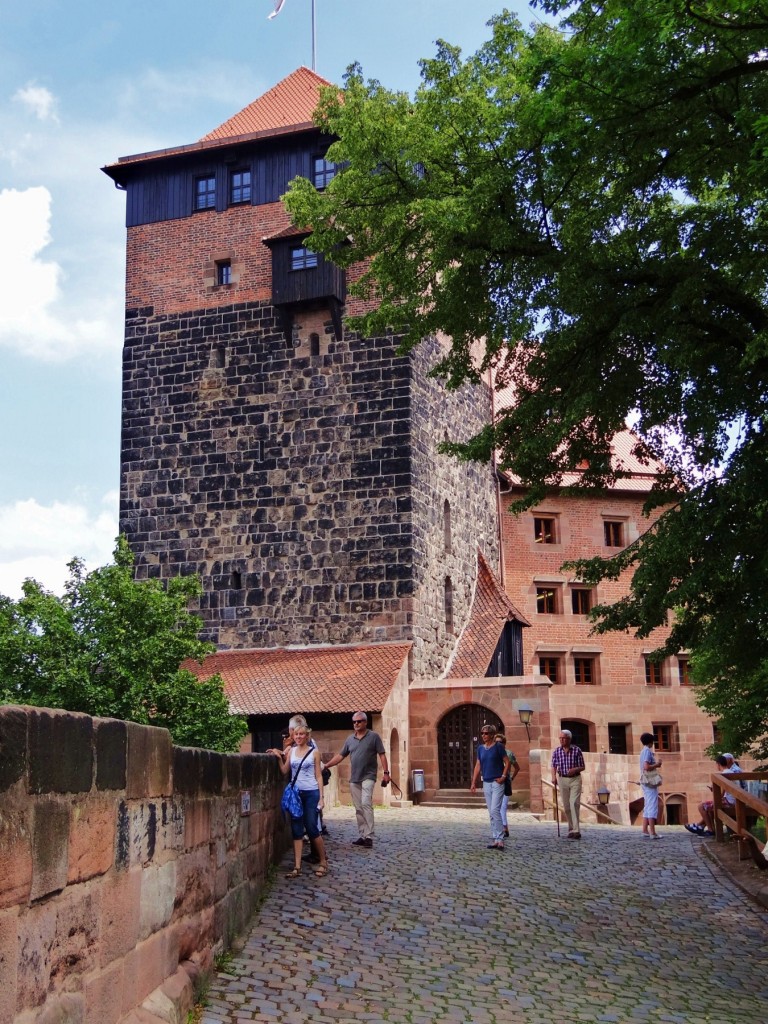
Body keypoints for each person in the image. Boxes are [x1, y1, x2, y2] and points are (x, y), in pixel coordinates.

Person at [323, 712, 389, 848]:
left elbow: (382, 755)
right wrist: (326, 765)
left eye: (359, 721)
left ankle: (369, 836)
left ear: (365, 722)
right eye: (354, 722)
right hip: (355, 778)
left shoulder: (374, 737)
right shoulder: (350, 740)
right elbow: (340, 756)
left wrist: (386, 773)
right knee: (358, 808)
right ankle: (363, 835)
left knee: (366, 803)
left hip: (369, 776)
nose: (356, 724)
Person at [272, 724, 329, 878]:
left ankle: (323, 861)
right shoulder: (292, 751)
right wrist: (278, 757)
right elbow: (285, 770)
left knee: (311, 827)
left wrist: (321, 798)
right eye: (296, 734)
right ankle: (297, 867)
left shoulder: (314, 753)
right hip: (296, 793)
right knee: (296, 829)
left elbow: (318, 775)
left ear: (307, 736)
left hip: (311, 793)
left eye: (301, 734)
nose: (298, 737)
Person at [470, 724, 510, 850]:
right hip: (486, 782)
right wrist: (473, 782)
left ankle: (500, 839)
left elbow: (507, 762)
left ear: (492, 734)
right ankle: (495, 838)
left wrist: (503, 776)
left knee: (495, 810)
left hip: (497, 782)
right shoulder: (481, 748)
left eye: (486, 733)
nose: (483, 735)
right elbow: (478, 764)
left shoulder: (498, 747)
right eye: (482, 733)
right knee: (491, 812)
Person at [685, 755, 741, 836]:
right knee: (709, 807)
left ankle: (710, 829)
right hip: (732, 800)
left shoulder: (724, 774)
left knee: (701, 806)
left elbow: (722, 792)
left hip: (730, 802)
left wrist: (716, 801)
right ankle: (702, 827)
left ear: (718, 764)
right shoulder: (729, 772)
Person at [551, 729, 585, 839]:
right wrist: (553, 777)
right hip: (562, 779)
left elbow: (583, 766)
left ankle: (576, 830)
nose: (561, 740)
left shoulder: (577, 750)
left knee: (573, 803)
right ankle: (571, 829)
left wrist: (575, 769)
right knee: (566, 806)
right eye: (560, 738)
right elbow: (553, 766)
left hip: (575, 779)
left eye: (564, 738)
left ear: (569, 739)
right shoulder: (557, 751)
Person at [495, 733, 520, 839]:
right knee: (495, 808)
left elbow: (517, 768)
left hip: (505, 782)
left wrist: (511, 778)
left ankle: (504, 828)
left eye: (500, 742)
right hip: (495, 782)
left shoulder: (509, 754)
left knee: (503, 807)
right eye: (496, 742)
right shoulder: (493, 752)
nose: (498, 744)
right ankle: (501, 828)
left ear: (504, 743)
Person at [639, 732, 663, 839]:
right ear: (651, 741)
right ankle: (652, 832)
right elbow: (646, 766)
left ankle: (645, 830)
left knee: (648, 805)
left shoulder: (643, 751)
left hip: (645, 782)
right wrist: (657, 764)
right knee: (652, 805)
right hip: (649, 782)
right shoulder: (647, 751)